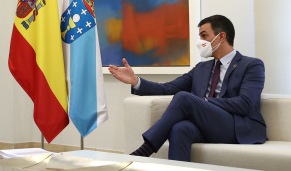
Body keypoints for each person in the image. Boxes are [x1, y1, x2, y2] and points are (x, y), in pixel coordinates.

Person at [109, 15, 266, 161]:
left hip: (235, 126)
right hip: (207, 125)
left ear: (222, 37)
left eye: (204, 36)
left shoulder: (251, 65)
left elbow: (246, 103)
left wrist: (205, 101)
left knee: (184, 97)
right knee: (180, 128)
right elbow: (168, 89)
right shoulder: (201, 68)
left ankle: (145, 150)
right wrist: (135, 81)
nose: (200, 41)